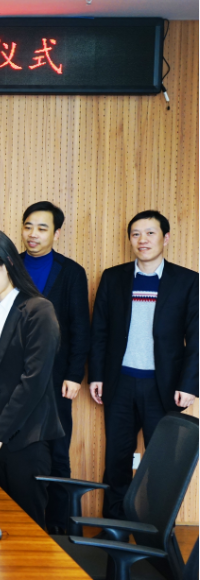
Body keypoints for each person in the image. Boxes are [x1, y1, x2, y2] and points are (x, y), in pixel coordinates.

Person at [89, 210, 197, 520]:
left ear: (166, 238)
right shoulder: (113, 278)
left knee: (162, 465)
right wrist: (96, 375)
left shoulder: (187, 281)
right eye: (136, 234)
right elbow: (100, 331)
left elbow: (197, 337)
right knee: (117, 460)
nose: (142, 240)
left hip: (164, 387)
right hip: (120, 384)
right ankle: (114, 531)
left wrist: (189, 385)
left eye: (150, 233)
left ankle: (156, 536)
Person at [0, 230, 64, 528]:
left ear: (6, 263)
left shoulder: (38, 310)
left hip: (25, 436)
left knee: (26, 528)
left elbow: (33, 383)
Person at [20, 202, 91, 535]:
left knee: (58, 452)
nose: (33, 234)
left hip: (56, 377)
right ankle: (20, 522)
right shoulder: (8, 265)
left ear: (57, 233)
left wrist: (74, 375)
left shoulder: (71, 272)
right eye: (28, 226)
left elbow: (80, 327)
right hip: (15, 376)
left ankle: (59, 528)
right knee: (15, 450)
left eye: (42, 228)